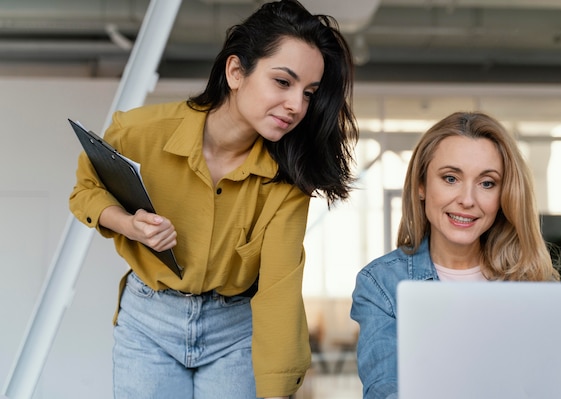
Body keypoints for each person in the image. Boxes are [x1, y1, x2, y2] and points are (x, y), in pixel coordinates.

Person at [69, 1, 358, 398]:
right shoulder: (140, 132)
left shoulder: (287, 181)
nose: (297, 106)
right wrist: (127, 223)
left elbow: (278, 290)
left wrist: (278, 390)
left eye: (309, 93)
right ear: (236, 71)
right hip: (148, 323)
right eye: (282, 82)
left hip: (236, 331)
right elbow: (86, 189)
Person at [350, 111, 561, 399]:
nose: (467, 199)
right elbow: (385, 389)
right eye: (451, 178)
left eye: (487, 183)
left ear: (504, 196)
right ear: (421, 185)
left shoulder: (536, 285)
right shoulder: (382, 284)